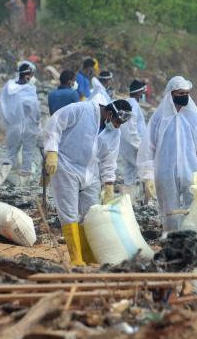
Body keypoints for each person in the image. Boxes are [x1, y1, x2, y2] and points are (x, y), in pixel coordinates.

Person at [43, 94, 131, 265]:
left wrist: (108, 185)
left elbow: (109, 159)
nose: (117, 126)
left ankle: (89, 257)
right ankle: (76, 258)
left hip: (90, 172)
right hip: (66, 167)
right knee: (69, 214)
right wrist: (52, 151)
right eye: (116, 122)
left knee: (91, 214)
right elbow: (55, 123)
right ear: (109, 113)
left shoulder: (115, 133)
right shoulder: (82, 110)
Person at [138, 76, 197, 233]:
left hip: (191, 171)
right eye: (180, 93)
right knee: (169, 212)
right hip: (165, 173)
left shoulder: (194, 117)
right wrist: (148, 176)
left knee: (193, 210)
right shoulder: (159, 118)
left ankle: (191, 239)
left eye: (186, 93)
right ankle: (172, 239)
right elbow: (148, 148)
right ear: (171, 94)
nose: (184, 96)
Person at [0, 61, 40, 187]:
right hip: (28, 126)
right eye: (32, 74)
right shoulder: (29, 89)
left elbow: (1, 107)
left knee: (10, 153)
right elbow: (34, 110)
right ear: (28, 75)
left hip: (13, 126)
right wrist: (37, 124)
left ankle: (0, 180)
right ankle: (23, 184)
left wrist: (9, 122)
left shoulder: (8, 87)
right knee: (27, 153)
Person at [119, 79, 150, 197]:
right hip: (133, 145)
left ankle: (127, 199)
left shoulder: (131, 103)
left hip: (128, 144)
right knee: (145, 170)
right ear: (139, 92)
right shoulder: (133, 105)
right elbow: (130, 127)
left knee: (130, 172)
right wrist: (139, 145)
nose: (143, 94)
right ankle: (146, 198)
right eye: (142, 92)